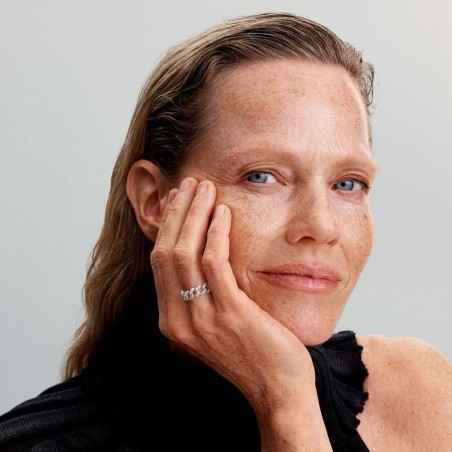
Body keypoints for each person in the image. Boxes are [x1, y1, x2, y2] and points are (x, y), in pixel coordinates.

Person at [1, 11, 451, 452]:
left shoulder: (413, 394)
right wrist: (284, 399)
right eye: (262, 176)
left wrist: (289, 397)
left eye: (347, 184)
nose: (320, 226)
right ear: (155, 201)